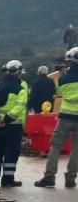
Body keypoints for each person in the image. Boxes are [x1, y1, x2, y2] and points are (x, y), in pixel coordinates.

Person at [35, 48, 78, 188]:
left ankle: (49, 178)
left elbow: (60, 93)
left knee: (55, 147)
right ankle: (70, 179)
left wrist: (65, 73)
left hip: (65, 117)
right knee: (76, 150)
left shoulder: (63, 79)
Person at [0, 59, 28, 187]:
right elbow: (19, 108)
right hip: (13, 127)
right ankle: (7, 180)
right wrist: (6, 120)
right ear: (19, 73)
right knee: (11, 153)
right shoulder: (20, 90)